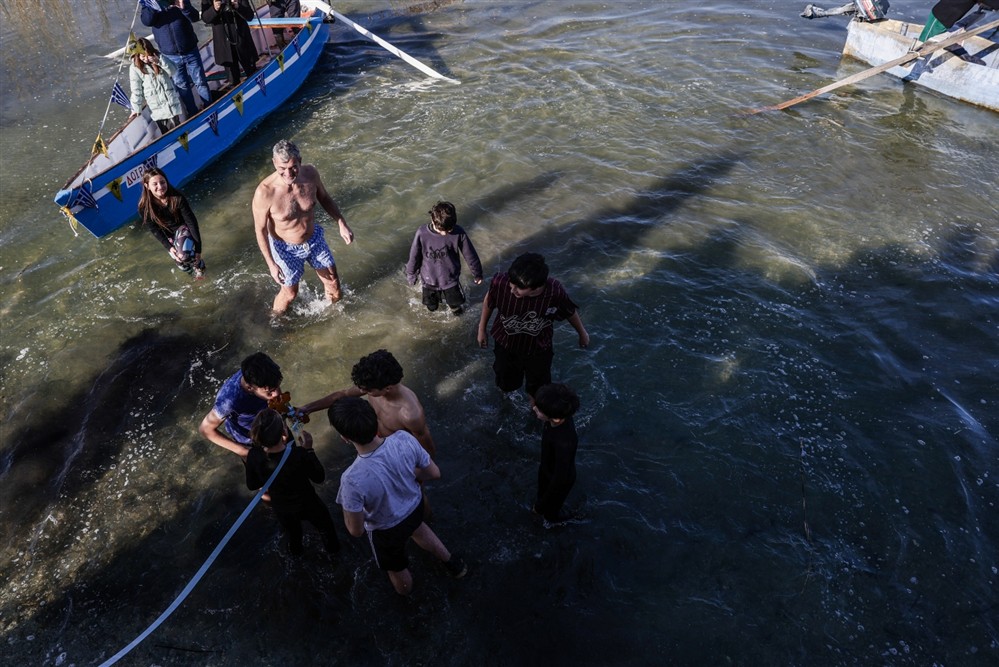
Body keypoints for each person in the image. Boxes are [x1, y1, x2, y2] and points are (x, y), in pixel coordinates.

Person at [329, 397, 466, 595]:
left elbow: (355, 530)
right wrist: (406, 473)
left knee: (396, 567)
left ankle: (408, 598)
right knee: (419, 528)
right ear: (375, 420)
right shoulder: (403, 439)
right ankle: (453, 564)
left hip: (387, 530)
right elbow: (434, 473)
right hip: (415, 507)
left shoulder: (351, 479)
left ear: (345, 437)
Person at [252, 139, 355, 315]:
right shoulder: (265, 192)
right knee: (290, 293)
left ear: (300, 160)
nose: (288, 173)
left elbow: (324, 198)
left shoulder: (311, 174)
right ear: (274, 163)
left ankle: (335, 318)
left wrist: (341, 222)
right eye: (282, 168)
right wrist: (271, 264)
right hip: (285, 248)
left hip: (314, 239)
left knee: (333, 283)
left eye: (293, 167)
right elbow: (260, 230)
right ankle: (275, 319)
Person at [476, 252, 589, 402]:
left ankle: (535, 409)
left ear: (536, 287)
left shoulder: (554, 292)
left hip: (539, 348)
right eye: (511, 283)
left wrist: (582, 333)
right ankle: (505, 403)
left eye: (519, 288)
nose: (512, 290)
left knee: (539, 389)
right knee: (506, 383)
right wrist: (481, 329)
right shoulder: (501, 281)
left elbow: (570, 311)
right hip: (505, 345)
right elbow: (489, 301)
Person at [301, 349, 436, 457]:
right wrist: (307, 409)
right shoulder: (374, 385)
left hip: (396, 451)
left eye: (367, 390)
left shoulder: (411, 415)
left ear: (387, 388)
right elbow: (343, 394)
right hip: (374, 440)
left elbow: (427, 452)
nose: (362, 391)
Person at [246, 409, 341, 557]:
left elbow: (252, 485)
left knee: (294, 536)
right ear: (284, 432)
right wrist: (309, 450)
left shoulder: (253, 455)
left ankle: (296, 558)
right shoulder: (299, 454)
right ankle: (335, 557)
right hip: (309, 503)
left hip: (282, 507)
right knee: (326, 530)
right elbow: (319, 477)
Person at [199, 352, 284, 457]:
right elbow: (205, 429)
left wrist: (287, 410)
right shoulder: (229, 401)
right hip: (251, 440)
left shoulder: (264, 374)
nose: (277, 394)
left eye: (277, 386)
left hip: (273, 425)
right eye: (270, 392)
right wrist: (246, 452)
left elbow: (274, 389)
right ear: (250, 387)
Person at [405, 201, 483, 315]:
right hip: (429, 280)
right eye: (441, 230)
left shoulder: (458, 232)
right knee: (432, 307)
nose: (445, 233)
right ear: (432, 220)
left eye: (449, 230)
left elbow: (470, 254)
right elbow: (414, 255)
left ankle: (456, 311)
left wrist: (477, 273)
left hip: (450, 280)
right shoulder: (422, 233)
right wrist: (411, 274)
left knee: (456, 306)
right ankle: (433, 308)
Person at [140, 0, 211, 117]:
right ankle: (192, 114)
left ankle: (210, 108)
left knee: (200, 81)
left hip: (190, 49)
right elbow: (147, 21)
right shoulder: (149, 3)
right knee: (182, 86)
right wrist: (153, 7)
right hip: (170, 54)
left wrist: (184, 7)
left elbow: (194, 17)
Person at [137, 167, 206, 278]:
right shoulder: (144, 207)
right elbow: (155, 230)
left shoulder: (177, 198)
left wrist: (198, 250)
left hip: (183, 229)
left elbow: (192, 223)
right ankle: (193, 276)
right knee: (181, 264)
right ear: (147, 186)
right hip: (170, 235)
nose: (160, 186)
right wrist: (169, 247)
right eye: (155, 184)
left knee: (184, 256)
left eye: (162, 182)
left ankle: (201, 271)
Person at [531, 383, 580, 528]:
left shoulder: (564, 443)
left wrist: (539, 507)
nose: (534, 409)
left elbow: (560, 480)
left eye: (539, 410)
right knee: (542, 495)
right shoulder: (559, 416)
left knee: (550, 514)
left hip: (560, 480)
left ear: (556, 419)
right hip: (547, 469)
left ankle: (568, 521)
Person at [128, 38, 185, 134]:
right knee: (166, 134)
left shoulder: (159, 57)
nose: (146, 59)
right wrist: (135, 108)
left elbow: (173, 70)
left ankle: (184, 141)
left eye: (147, 55)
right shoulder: (134, 68)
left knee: (179, 131)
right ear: (138, 55)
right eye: (143, 56)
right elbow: (136, 90)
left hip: (171, 104)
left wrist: (159, 61)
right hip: (157, 108)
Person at [201, 0, 259, 88]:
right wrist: (215, 8)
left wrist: (237, 6)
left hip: (242, 41)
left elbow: (250, 16)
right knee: (233, 82)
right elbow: (206, 18)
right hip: (224, 45)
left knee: (253, 73)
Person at [919, 1, 999, 42]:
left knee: (936, 36)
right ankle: (915, 57)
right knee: (926, 40)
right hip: (941, 15)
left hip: (950, 17)